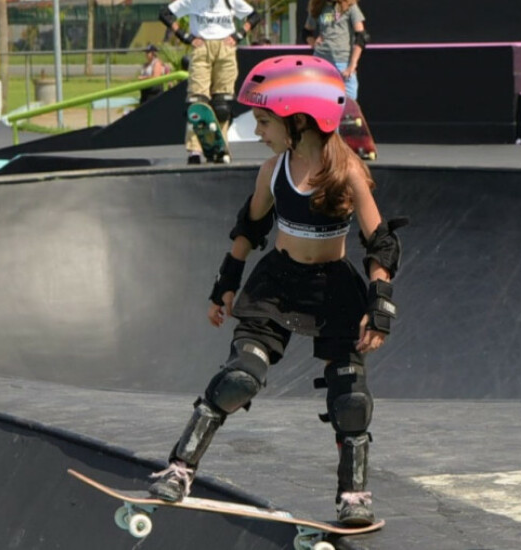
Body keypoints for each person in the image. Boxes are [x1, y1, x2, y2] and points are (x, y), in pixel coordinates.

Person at [146, 55, 405, 527]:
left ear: (301, 121)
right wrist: (226, 282)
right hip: (278, 284)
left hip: (334, 291)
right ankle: (180, 468)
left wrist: (380, 302)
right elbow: (251, 225)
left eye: (265, 121)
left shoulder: (347, 172)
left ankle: (354, 495)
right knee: (240, 376)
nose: (258, 131)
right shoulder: (271, 170)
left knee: (349, 397)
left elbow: (379, 242)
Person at [159, 0, 262, 164]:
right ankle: (195, 149)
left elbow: (254, 16)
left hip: (225, 48)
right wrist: (186, 37)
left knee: (223, 104)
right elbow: (165, 14)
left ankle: (221, 147)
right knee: (198, 101)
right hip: (202, 47)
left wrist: (239, 35)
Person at [303, 0, 368, 99]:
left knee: (349, 104)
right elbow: (306, 32)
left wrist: (352, 65)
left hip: (343, 62)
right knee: (322, 102)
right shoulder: (318, 6)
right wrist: (313, 42)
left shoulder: (350, 6)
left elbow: (362, 36)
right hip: (321, 61)